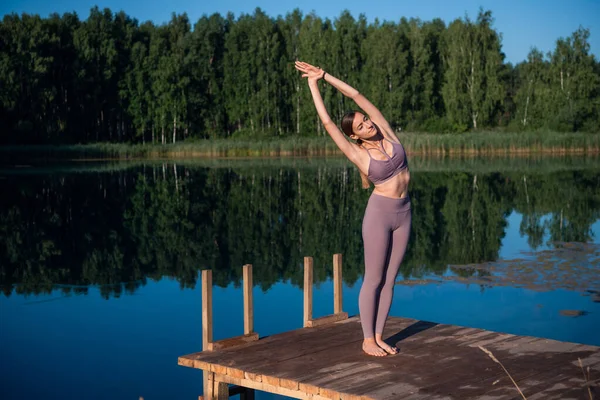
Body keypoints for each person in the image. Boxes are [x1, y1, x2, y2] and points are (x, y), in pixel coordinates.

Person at [295, 61, 411, 357]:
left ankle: (379, 336)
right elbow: (328, 124)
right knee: (373, 278)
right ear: (355, 136)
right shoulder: (358, 153)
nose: (368, 124)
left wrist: (326, 76)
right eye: (361, 125)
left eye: (365, 120)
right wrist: (313, 87)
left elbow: (357, 95)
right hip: (380, 215)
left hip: (404, 212)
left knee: (390, 278)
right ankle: (366, 340)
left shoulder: (387, 132)